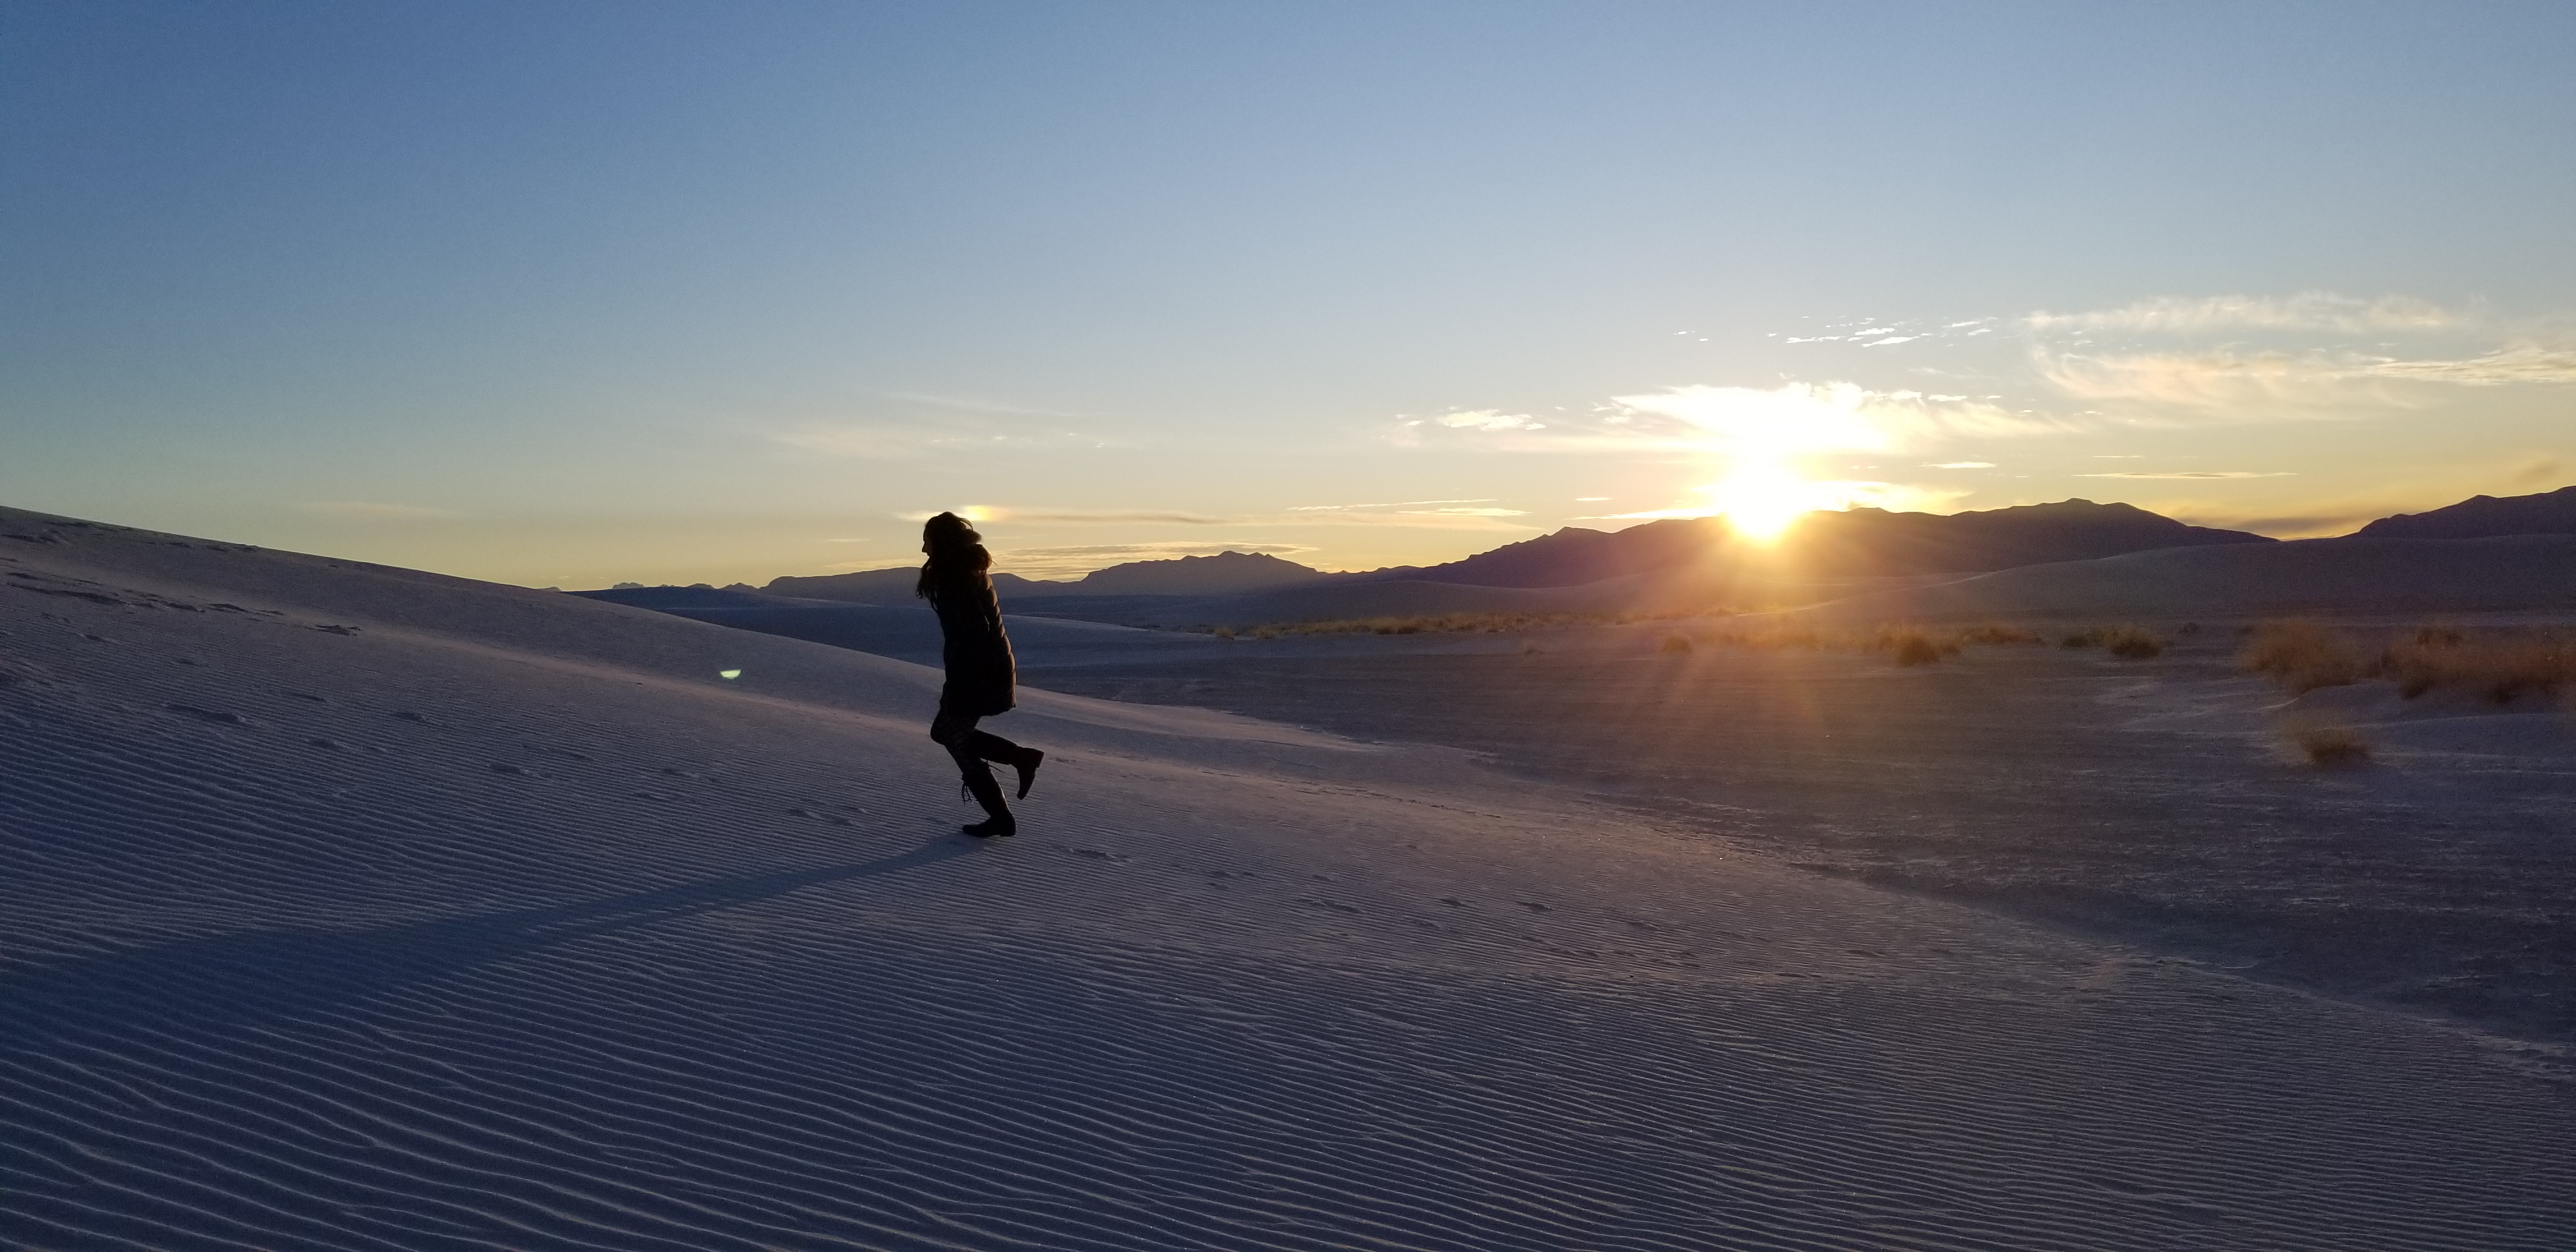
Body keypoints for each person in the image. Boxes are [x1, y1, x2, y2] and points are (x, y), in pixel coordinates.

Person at [917, 512, 1043, 836]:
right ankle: (1018, 765)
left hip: (979, 673)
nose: (924, 550)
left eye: (927, 541)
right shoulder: (965, 571)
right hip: (984, 669)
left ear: (941, 542)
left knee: (950, 735)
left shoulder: (957, 576)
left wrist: (958, 676)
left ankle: (1006, 804)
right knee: (948, 734)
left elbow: (974, 629)